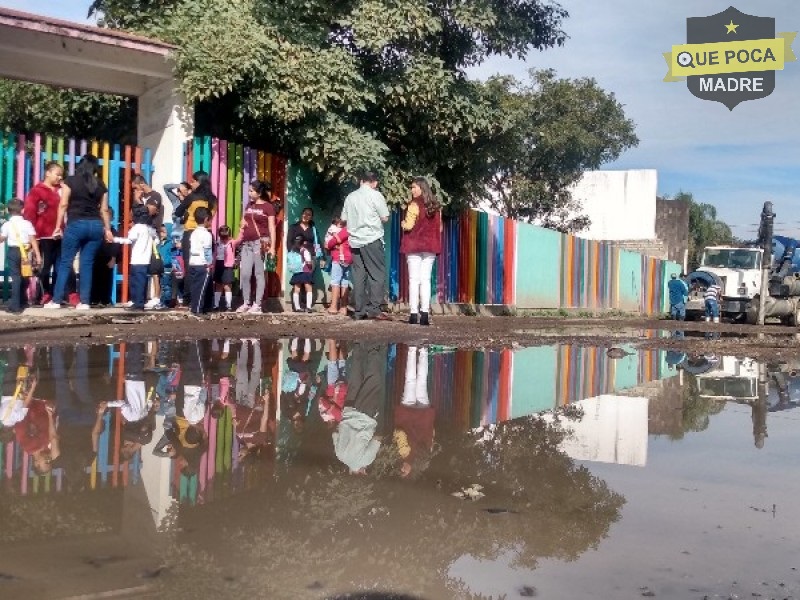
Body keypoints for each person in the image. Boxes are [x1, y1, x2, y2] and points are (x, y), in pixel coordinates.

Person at [45, 154, 113, 310]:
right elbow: (103, 210)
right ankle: (85, 302)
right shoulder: (101, 185)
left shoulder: (70, 181)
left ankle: (56, 300)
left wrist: (57, 226)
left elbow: (63, 205)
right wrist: (108, 229)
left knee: (65, 262)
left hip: (76, 224)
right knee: (87, 264)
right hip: (96, 226)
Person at [341, 171, 390, 321]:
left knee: (359, 276)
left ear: (361, 181)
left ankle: (359, 311)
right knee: (377, 275)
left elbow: (343, 219)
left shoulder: (350, 197)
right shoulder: (376, 195)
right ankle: (374, 309)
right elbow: (385, 217)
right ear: (374, 182)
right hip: (372, 239)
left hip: (355, 241)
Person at [400, 177, 442, 326]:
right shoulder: (436, 206)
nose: (412, 190)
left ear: (422, 188)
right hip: (430, 247)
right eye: (412, 188)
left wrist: (403, 223)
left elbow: (409, 226)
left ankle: (413, 314)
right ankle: (424, 315)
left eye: (414, 187)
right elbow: (440, 228)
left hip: (414, 246)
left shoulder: (413, 205)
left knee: (414, 280)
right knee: (426, 280)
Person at [173, 171, 216, 307]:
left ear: (199, 182)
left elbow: (178, 212)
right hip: (207, 232)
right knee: (207, 266)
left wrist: (186, 212)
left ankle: (188, 300)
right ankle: (207, 300)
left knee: (190, 266)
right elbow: (211, 215)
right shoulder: (213, 199)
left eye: (193, 181)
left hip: (191, 232)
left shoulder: (192, 197)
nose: (191, 184)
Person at [23, 161, 63, 304]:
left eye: (61, 175)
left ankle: (56, 293)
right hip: (43, 234)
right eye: (57, 174)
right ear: (48, 173)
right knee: (45, 266)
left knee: (61, 266)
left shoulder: (61, 190)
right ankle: (45, 293)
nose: (59, 178)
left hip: (60, 235)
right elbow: (29, 213)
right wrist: (33, 236)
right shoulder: (37, 191)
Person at [238, 180, 277, 313]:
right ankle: (246, 302)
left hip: (260, 243)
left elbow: (272, 228)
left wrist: (272, 247)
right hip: (247, 243)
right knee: (245, 274)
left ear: (259, 193)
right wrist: (242, 223)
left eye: (251, 191)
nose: (249, 193)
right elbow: (244, 219)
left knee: (259, 273)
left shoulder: (268, 207)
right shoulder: (249, 204)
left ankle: (258, 304)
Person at [0, 198, 42, 314]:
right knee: (25, 276)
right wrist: (38, 255)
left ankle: (15, 306)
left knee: (15, 277)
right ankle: (23, 301)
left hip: (13, 252)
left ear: (8, 211)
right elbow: (33, 240)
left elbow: (2, 238)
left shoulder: (7, 225)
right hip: (25, 252)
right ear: (22, 210)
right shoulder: (27, 224)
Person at [112, 204, 155, 311]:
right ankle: (139, 302)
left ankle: (138, 303)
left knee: (136, 283)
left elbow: (129, 240)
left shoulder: (137, 228)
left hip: (137, 259)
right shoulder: (149, 228)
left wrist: (114, 239)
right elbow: (156, 239)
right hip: (146, 259)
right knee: (141, 282)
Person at [287, 206, 323, 310]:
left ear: (311, 217)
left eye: (308, 214)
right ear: (301, 214)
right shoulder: (294, 227)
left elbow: (318, 242)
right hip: (297, 257)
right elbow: (289, 243)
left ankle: (307, 305)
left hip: (310, 257)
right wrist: (294, 254)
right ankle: (298, 306)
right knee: (298, 281)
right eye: (304, 213)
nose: (305, 216)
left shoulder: (313, 229)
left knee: (307, 280)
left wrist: (322, 257)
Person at [91, 206, 122, 307]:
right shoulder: (95, 230)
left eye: (108, 216)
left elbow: (116, 246)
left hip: (107, 259)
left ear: (111, 218)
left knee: (106, 280)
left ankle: (105, 300)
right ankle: (94, 299)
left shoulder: (113, 231)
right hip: (95, 258)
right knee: (94, 279)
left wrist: (113, 259)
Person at [187, 206, 213, 315]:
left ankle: (194, 307)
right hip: (202, 264)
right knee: (201, 288)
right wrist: (209, 264)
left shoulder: (193, 233)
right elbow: (207, 250)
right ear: (206, 219)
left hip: (193, 261)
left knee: (194, 287)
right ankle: (197, 309)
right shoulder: (207, 234)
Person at [324, 214, 352, 316]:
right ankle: (343, 308)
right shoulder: (353, 230)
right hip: (349, 259)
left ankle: (333, 307)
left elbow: (334, 241)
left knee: (335, 281)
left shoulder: (345, 230)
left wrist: (329, 244)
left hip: (339, 257)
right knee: (345, 282)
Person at [213, 225, 238, 311]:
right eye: (222, 236)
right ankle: (216, 305)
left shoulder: (232, 243)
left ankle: (228, 305)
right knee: (218, 285)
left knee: (227, 285)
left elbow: (239, 243)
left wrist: (236, 261)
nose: (223, 238)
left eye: (225, 236)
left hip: (228, 265)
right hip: (219, 264)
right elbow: (214, 255)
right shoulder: (217, 243)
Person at [288, 234, 314, 313]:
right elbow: (309, 262)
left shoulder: (293, 251)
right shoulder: (305, 251)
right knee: (308, 289)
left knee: (296, 290)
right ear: (304, 242)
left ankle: (297, 307)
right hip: (305, 271)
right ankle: (308, 307)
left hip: (296, 272)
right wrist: (311, 265)